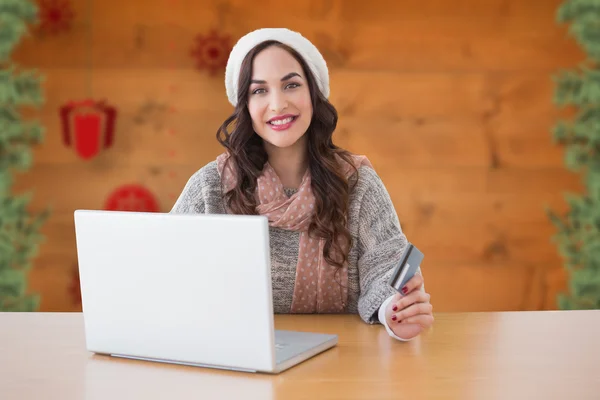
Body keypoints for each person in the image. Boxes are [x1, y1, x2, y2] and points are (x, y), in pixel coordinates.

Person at [170, 28, 434, 341]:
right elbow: (166, 272)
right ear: (245, 105)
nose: (278, 104)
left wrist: (396, 309)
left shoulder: (357, 181)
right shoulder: (209, 186)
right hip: (238, 363)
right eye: (259, 91)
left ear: (314, 93)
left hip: (343, 365)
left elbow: (386, 268)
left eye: (291, 85)